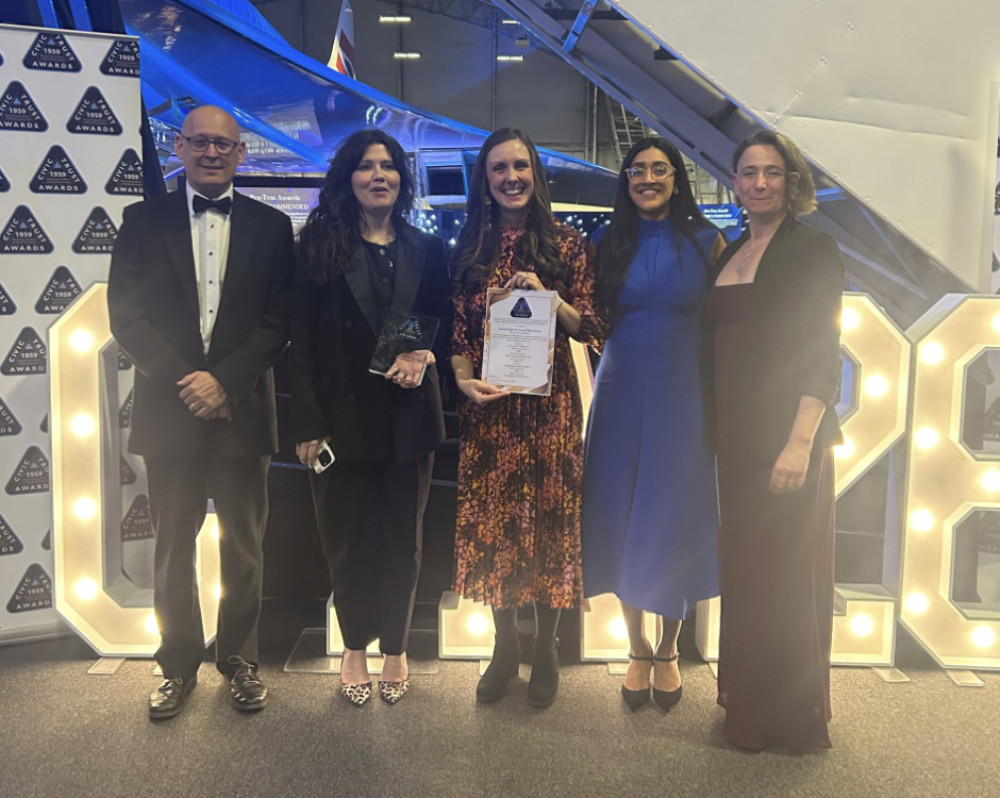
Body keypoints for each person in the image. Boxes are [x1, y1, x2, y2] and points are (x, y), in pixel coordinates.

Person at [108, 105, 293, 718]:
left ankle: (239, 660)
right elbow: (127, 317)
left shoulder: (271, 228)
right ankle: (177, 664)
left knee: (246, 545)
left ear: (242, 153)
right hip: (170, 410)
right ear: (179, 147)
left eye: (224, 144)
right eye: (199, 142)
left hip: (242, 411)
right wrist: (189, 382)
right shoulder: (140, 222)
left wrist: (226, 383)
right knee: (171, 548)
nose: (211, 153)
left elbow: (279, 321)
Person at [290, 130, 451, 706]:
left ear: (403, 180)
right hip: (340, 421)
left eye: (389, 167)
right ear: (347, 178)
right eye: (366, 167)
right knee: (347, 540)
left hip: (408, 419)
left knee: (403, 543)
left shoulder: (423, 248)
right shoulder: (319, 247)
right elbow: (301, 343)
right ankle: (354, 646)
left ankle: (397, 649)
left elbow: (440, 316)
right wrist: (307, 424)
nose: (379, 175)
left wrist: (418, 351)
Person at [450, 128, 603, 707]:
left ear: (536, 173)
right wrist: (464, 381)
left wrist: (548, 295)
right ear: (484, 181)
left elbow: (592, 327)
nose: (510, 177)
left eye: (520, 166)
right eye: (498, 168)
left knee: (548, 528)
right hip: (490, 414)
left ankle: (547, 652)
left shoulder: (567, 244)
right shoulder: (469, 251)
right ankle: (504, 649)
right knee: (496, 531)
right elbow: (459, 335)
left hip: (549, 414)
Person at [706, 129, 843, 751]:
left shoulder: (812, 249)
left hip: (789, 438)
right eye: (749, 172)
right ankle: (750, 709)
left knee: (788, 578)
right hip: (735, 440)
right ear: (734, 182)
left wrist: (800, 442)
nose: (759, 183)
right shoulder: (729, 251)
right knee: (749, 573)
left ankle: (791, 721)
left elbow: (820, 348)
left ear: (793, 184)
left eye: (772, 173)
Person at [581, 137, 726, 711]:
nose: (647, 178)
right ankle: (636, 646)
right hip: (617, 394)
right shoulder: (605, 242)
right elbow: (588, 318)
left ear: (676, 178)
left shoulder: (709, 242)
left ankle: (668, 648)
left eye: (659, 169)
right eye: (637, 170)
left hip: (682, 396)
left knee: (670, 521)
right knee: (619, 515)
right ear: (626, 179)